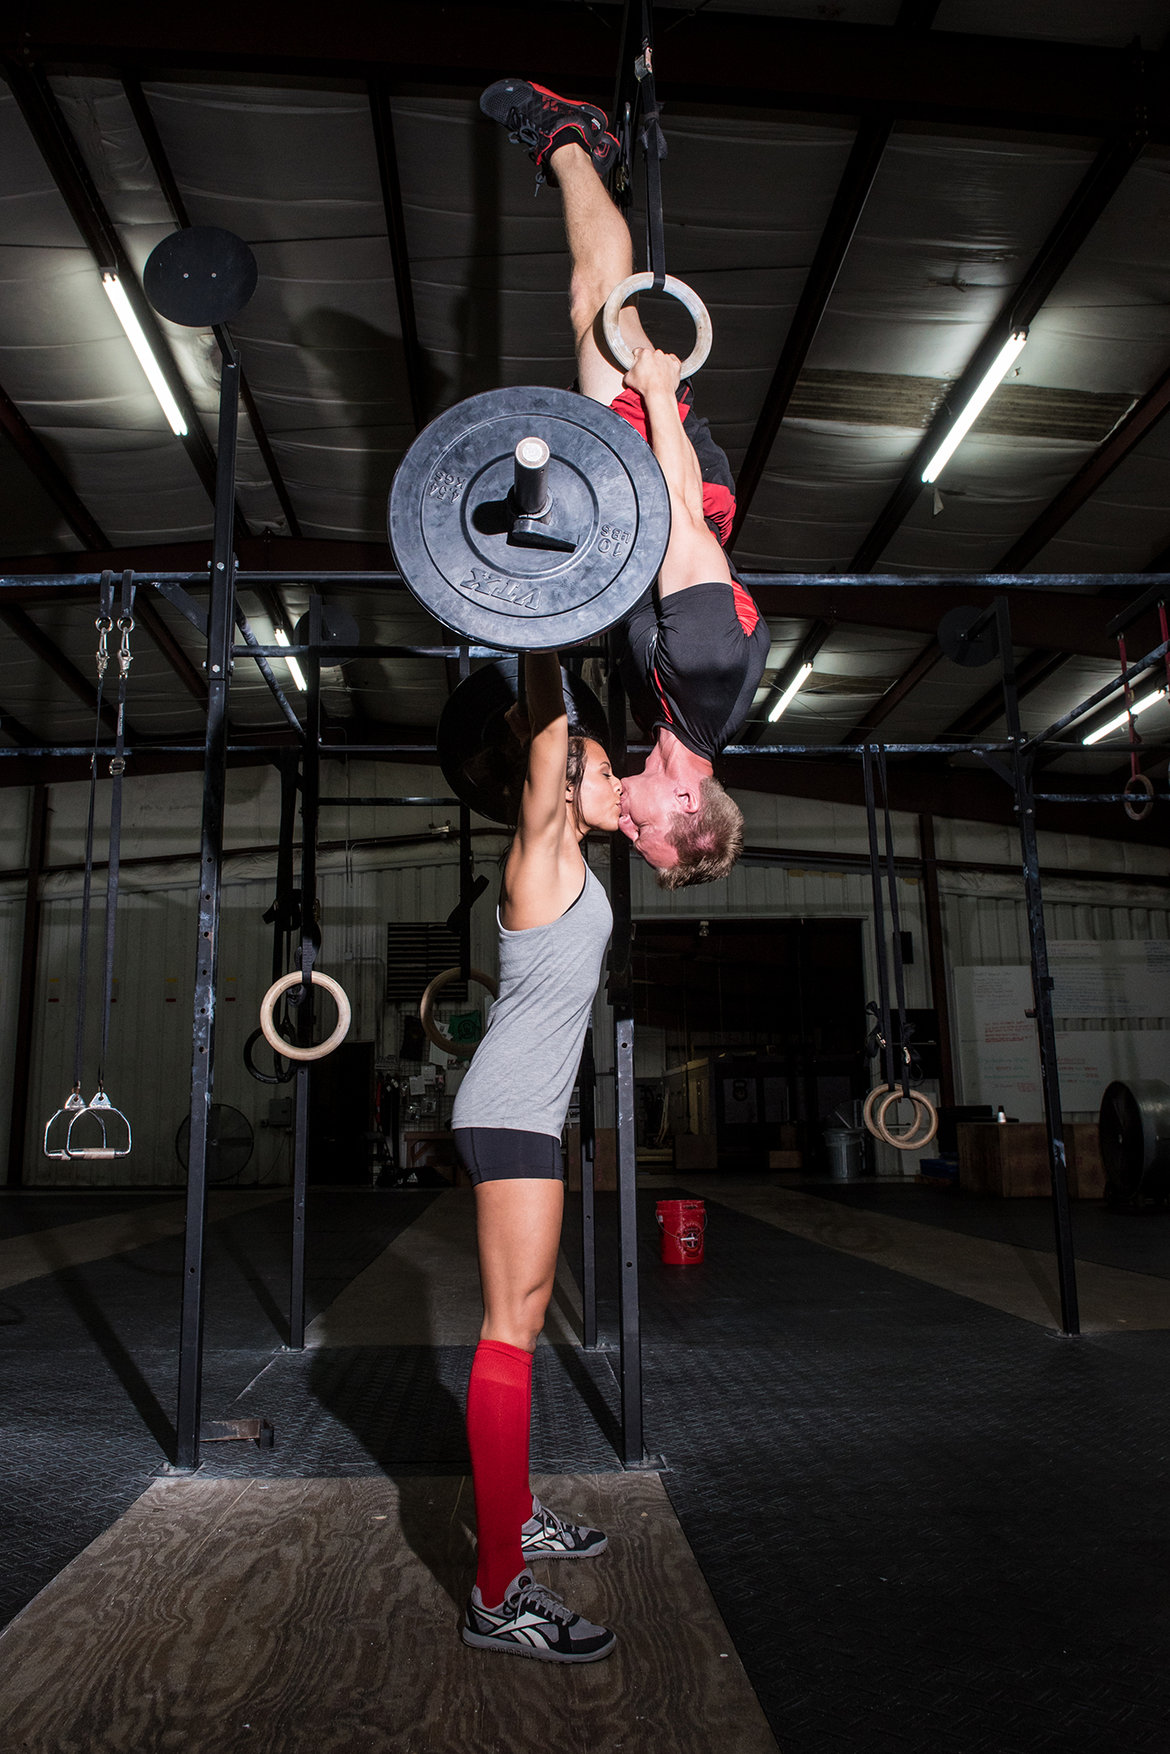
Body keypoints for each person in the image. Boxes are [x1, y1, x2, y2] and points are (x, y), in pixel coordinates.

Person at [481, 78, 772, 888]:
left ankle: (581, 148)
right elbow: (683, 518)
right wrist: (654, 394)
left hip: (649, 491)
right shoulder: (708, 676)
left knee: (597, 302)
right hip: (664, 471)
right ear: (687, 806)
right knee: (597, 304)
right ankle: (570, 135)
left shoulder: (674, 718)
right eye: (646, 838)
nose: (629, 830)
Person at [452, 649, 622, 1663]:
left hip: (524, 1112)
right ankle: (496, 1591)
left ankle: (513, 1518)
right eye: (597, 769)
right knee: (511, 1329)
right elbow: (552, 721)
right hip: (511, 1110)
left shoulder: (573, 860)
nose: (612, 779)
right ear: (558, 779)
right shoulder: (543, 848)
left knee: (523, 1311)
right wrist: (547, 615)